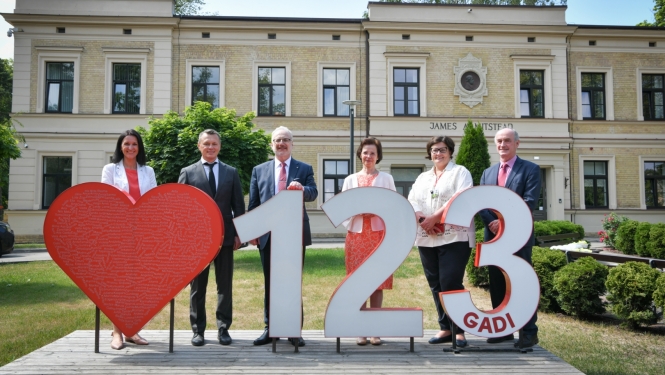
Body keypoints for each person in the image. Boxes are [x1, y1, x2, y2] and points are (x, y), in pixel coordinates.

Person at [248, 126, 318, 347]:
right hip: (268, 235)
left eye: (286, 139)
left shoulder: (303, 168)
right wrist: (253, 230)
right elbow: (254, 203)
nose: (281, 143)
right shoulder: (259, 170)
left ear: (292, 144)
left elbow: (313, 192)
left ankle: (293, 330)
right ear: (272, 144)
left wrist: (302, 190)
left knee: (292, 282)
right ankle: (271, 329)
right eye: (277, 140)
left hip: (294, 233)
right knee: (270, 282)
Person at [178, 129, 245, 347]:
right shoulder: (187, 172)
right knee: (198, 287)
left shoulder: (231, 172)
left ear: (219, 146)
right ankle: (198, 331)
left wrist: (238, 234)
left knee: (224, 286)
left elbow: (238, 206)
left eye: (214, 144)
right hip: (198, 241)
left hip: (225, 238)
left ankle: (223, 328)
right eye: (206, 144)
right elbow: (181, 208)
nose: (210, 147)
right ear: (199, 146)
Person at [408, 136, 474, 348]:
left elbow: (460, 197)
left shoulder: (460, 172)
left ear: (450, 151)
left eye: (443, 149)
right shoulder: (423, 178)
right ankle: (445, 328)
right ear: (430, 153)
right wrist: (422, 220)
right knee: (435, 283)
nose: (439, 153)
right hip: (427, 237)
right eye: (435, 150)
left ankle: (459, 329)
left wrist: (435, 218)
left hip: (454, 236)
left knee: (450, 282)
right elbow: (412, 200)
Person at [480, 128, 541, 348]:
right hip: (493, 236)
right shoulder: (488, 172)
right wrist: (492, 223)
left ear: (517, 143)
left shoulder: (531, 169)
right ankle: (502, 330)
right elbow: (482, 202)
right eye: (499, 141)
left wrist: (503, 222)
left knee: (521, 282)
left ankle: (529, 332)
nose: (502, 144)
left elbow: (529, 201)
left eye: (507, 140)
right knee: (496, 282)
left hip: (518, 235)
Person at [101, 129, 157, 350]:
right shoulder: (110, 169)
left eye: (135, 144)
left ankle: (132, 330)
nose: (131, 148)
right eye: (127, 144)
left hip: (142, 232)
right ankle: (117, 332)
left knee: (137, 282)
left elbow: (152, 200)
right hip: (118, 232)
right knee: (118, 282)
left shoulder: (148, 171)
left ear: (139, 147)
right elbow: (106, 198)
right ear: (120, 146)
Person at [341, 138, 396, 346]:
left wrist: (377, 210)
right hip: (356, 234)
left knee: (377, 281)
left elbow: (393, 206)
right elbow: (343, 206)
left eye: (373, 153)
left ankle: (375, 330)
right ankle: (360, 330)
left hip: (378, 234)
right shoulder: (350, 179)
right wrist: (357, 211)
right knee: (357, 282)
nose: (368, 157)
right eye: (365, 152)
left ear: (378, 156)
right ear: (360, 154)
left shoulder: (386, 179)